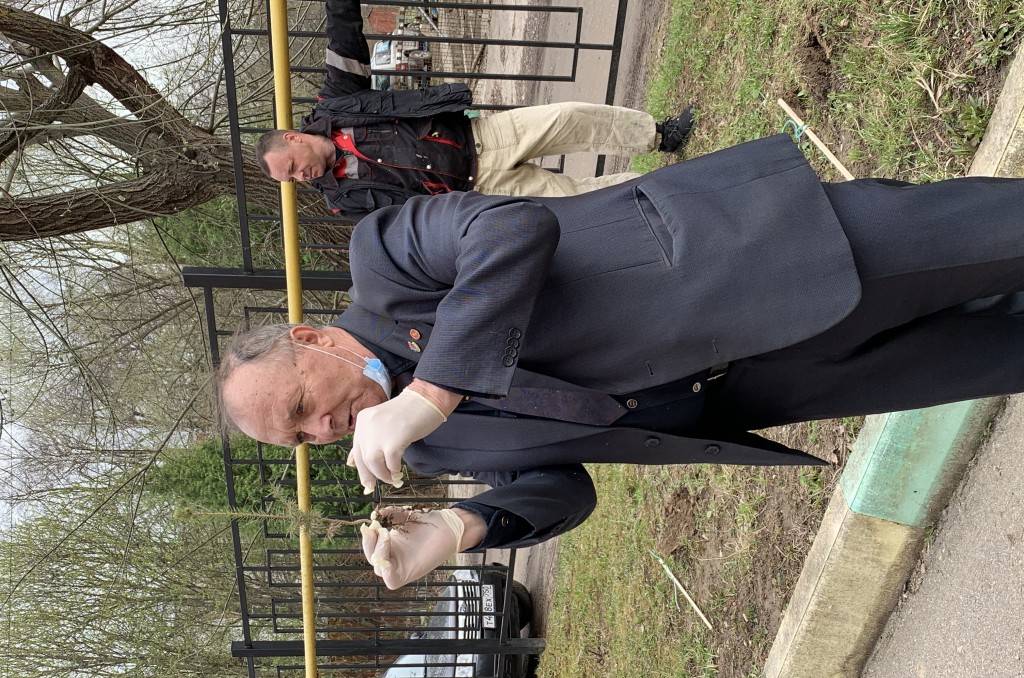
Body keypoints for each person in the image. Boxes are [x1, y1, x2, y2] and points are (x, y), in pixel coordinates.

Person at [219, 131, 1024, 589]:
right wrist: (457, 527)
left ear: (311, 340)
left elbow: (509, 231)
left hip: (764, 258)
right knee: (1000, 354)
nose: (321, 430)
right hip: (775, 384)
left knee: (1006, 239)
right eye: (301, 439)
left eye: (301, 407)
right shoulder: (423, 450)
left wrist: (431, 391)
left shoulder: (384, 263)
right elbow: (563, 487)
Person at [256, 0, 694, 220]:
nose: (300, 177)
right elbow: (403, 226)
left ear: (293, 138)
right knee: (579, 201)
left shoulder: (336, 103)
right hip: (480, 194)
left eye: (292, 167)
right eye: (291, 180)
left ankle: (661, 135)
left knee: (571, 118)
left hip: (483, 137)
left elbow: (343, 33)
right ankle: (667, 189)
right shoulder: (341, 201)